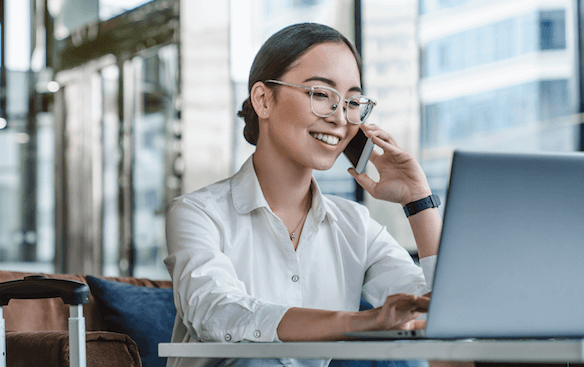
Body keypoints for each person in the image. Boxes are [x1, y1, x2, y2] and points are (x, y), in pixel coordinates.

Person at [164, 22, 441, 367]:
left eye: (352, 102)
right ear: (264, 100)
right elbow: (217, 313)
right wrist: (360, 323)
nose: (340, 118)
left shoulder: (354, 224)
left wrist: (418, 200)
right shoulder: (198, 212)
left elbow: (441, 311)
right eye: (321, 94)